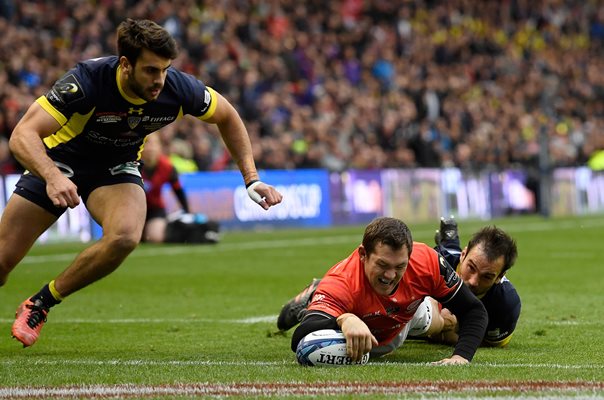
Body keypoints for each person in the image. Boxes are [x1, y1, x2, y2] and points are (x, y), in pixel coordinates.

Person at [0, 18, 283, 347]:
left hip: (116, 166)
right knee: (3, 263)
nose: (159, 80)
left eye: (164, 69)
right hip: (59, 161)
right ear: (125, 64)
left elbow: (228, 116)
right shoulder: (87, 81)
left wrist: (251, 179)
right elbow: (22, 135)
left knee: (125, 237)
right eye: (150, 70)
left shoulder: (178, 88)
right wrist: (50, 176)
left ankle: (41, 303)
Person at [278, 217, 519, 349]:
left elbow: (474, 313)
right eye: (382, 265)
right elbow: (300, 339)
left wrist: (460, 354)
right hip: (351, 308)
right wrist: (345, 318)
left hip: (402, 315)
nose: (391, 275)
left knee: (444, 323)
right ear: (364, 255)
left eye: (400, 266)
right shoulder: (341, 284)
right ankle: (315, 297)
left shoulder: (425, 261)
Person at [426, 217, 520, 347]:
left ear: (500, 276)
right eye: (471, 268)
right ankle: (449, 238)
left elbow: (488, 343)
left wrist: (444, 333)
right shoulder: (435, 265)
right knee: (448, 252)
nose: (473, 281)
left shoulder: (506, 303)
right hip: (449, 258)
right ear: (464, 255)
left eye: (487, 276)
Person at [140, 133, 190, 243]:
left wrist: (187, 211)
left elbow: (178, 190)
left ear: (160, 147)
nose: (151, 148)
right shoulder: (131, 165)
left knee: (154, 237)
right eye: (147, 143)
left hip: (155, 209)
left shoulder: (167, 166)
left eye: (154, 144)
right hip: (134, 210)